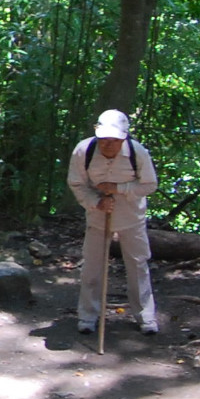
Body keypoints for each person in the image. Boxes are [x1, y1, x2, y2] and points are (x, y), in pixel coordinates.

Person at [66, 109, 160, 333]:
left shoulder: (138, 153)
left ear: (124, 138)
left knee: (138, 265)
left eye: (114, 140)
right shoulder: (83, 151)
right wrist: (95, 201)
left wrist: (119, 189)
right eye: (104, 140)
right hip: (98, 217)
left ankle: (145, 317)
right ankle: (88, 316)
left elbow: (150, 185)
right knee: (92, 266)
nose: (108, 145)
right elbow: (76, 183)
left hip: (131, 218)